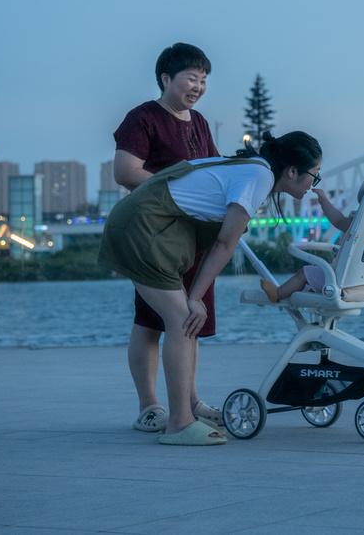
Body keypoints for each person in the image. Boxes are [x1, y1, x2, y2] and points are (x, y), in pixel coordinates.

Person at [98, 131, 323, 445]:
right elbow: (224, 243)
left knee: (184, 321)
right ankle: (179, 425)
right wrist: (195, 297)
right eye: (315, 174)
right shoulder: (259, 176)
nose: (315, 182)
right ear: (293, 171)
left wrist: (195, 296)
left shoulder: (253, 169)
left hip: (146, 225)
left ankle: (185, 414)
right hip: (143, 228)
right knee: (183, 320)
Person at [112, 43, 221, 435]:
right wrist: (181, 187)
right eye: (191, 78)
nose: (198, 87)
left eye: (203, 80)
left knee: (190, 321)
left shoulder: (200, 122)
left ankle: (189, 401)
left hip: (193, 236)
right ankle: (149, 407)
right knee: (150, 323)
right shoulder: (143, 118)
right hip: (153, 237)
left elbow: (213, 170)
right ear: (165, 78)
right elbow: (125, 171)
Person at [260, 187, 353, 303]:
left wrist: (324, 201)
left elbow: (339, 221)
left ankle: (278, 293)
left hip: (339, 280)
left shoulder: (354, 224)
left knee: (304, 273)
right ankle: (309, 289)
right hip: (362, 284)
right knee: (316, 276)